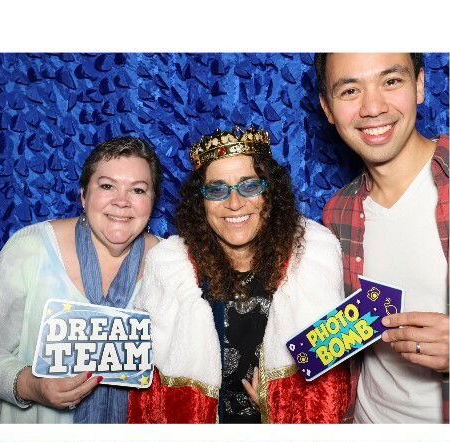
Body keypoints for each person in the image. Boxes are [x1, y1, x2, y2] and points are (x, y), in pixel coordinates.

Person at [129, 125, 350, 424]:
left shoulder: (313, 261)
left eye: (249, 186)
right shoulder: (169, 269)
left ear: (270, 193)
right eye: (217, 190)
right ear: (201, 202)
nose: (234, 203)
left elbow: (331, 385)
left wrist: (276, 404)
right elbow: (148, 397)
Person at [0, 134, 161, 424]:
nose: (121, 201)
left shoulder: (168, 262)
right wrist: (31, 386)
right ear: (83, 195)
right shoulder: (33, 247)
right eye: (107, 186)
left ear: (152, 201)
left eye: (138, 190)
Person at [315, 53, 449, 423]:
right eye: (350, 90)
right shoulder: (338, 211)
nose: (373, 108)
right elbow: (352, 326)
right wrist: (281, 378)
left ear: (419, 85)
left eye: (391, 81)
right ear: (327, 108)